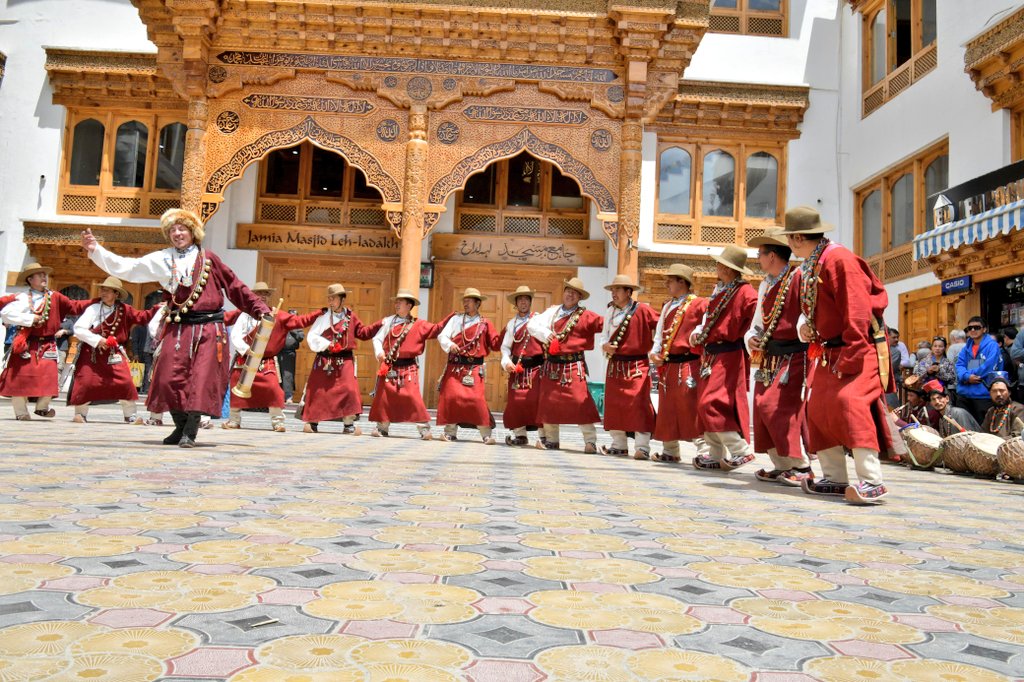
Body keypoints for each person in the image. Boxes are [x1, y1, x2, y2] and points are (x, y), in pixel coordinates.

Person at [81, 209, 271, 447]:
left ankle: (190, 431)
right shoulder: (162, 258)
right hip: (178, 327)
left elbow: (235, 287)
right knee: (166, 379)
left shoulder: (209, 258)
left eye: (182, 229)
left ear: (193, 232)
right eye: (172, 230)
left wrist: (260, 309)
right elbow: (129, 268)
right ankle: (179, 425)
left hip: (209, 328)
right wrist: (96, 250)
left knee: (200, 380)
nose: (177, 233)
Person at [785, 206, 894, 505]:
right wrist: (806, 327)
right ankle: (834, 476)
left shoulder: (839, 260)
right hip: (826, 349)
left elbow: (857, 310)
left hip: (856, 346)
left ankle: (872, 480)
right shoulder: (813, 262)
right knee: (818, 408)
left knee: (851, 404)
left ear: (796, 238)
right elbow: (815, 308)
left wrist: (853, 352)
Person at [744, 231, 814, 486]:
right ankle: (782, 464)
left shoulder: (799, 278)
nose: (757, 258)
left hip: (793, 354)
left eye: (760, 253)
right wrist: (751, 337)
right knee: (762, 410)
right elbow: (757, 323)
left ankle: (802, 465)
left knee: (780, 409)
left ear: (772, 255)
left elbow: (808, 313)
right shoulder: (765, 284)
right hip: (770, 356)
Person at [690, 245, 757, 471]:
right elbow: (708, 320)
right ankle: (715, 453)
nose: (717, 267)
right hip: (711, 354)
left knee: (713, 402)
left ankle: (741, 450)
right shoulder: (720, 289)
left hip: (729, 354)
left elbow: (757, 317)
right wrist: (697, 334)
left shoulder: (745, 292)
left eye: (720, 264)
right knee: (703, 404)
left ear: (729, 268)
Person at [224, 282, 321, 432]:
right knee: (237, 387)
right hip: (245, 358)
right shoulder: (244, 314)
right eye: (259, 294)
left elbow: (299, 321)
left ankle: (278, 422)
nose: (262, 297)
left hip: (265, 361)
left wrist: (318, 313)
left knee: (273, 389)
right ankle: (234, 420)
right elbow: (236, 335)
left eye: (266, 294)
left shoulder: (277, 315)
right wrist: (246, 350)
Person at [0, 263, 91, 420]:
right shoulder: (21, 298)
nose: (44, 277)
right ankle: (21, 412)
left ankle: (42, 407)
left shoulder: (55, 297)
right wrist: (30, 318)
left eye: (45, 275)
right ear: (30, 279)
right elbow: (6, 313)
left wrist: (94, 302)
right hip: (26, 343)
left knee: (49, 376)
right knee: (20, 377)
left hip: (48, 343)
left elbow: (73, 306)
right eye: (40, 275)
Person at [528, 277, 604, 453]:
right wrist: (547, 334)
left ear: (579, 297)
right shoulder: (552, 312)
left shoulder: (585, 315)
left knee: (580, 402)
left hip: (573, 365)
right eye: (568, 291)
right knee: (549, 403)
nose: (570, 294)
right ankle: (552, 440)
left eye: (574, 293)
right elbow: (532, 325)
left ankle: (590, 441)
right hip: (551, 366)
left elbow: (606, 325)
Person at [69, 277, 159, 424]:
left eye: (107, 290)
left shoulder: (125, 309)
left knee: (125, 382)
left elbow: (143, 317)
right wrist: (98, 340)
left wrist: (158, 308)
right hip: (91, 353)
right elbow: (78, 329)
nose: (102, 293)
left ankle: (130, 415)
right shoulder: (93, 308)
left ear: (116, 293)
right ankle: (80, 414)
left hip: (113, 353)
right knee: (85, 381)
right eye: (102, 289)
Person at [369, 289, 455, 439]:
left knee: (413, 397)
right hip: (390, 366)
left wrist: (451, 317)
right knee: (384, 397)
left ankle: (424, 429)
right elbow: (376, 339)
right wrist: (379, 353)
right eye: (396, 301)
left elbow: (436, 329)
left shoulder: (419, 324)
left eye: (400, 302)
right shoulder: (388, 321)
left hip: (409, 367)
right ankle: (382, 427)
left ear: (409, 305)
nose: (396, 304)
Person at [301, 284, 380, 434]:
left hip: (345, 360)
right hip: (325, 360)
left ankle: (348, 424)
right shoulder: (323, 316)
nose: (330, 301)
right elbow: (312, 336)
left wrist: (378, 325)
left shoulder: (351, 316)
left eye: (334, 298)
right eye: (329, 298)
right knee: (319, 391)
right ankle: (313, 422)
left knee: (349, 390)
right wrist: (327, 344)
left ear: (342, 299)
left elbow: (362, 333)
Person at [649, 264, 708, 463]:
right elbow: (659, 334)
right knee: (667, 408)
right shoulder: (667, 306)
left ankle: (704, 450)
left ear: (682, 282)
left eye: (670, 280)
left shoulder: (700, 304)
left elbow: (705, 326)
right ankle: (670, 450)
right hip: (668, 366)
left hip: (688, 364)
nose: (667, 284)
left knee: (689, 406)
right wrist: (655, 352)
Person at [599, 274, 659, 459]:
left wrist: (657, 349)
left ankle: (642, 447)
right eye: (612, 290)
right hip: (615, 365)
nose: (614, 293)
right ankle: (619, 444)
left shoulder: (643, 310)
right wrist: (605, 346)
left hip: (637, 364)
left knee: (639, 405)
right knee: (615, 405)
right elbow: (603, 336)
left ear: (628, 292)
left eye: (617, 290)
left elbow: (663, 325)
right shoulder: (610, 312)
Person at [436, 288, 500, 444]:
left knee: (476, 400)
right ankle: (450, 432)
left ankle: (486, 434)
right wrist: (450, 344)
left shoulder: (485, 324)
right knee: (451, 398)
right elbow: (442, 335)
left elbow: (496, 343)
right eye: (464, 300)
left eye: (469, 300)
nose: (465, 303)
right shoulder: (456, 320)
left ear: (478, 303)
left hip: (474, 368)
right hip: (455, 366)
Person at [499, 285, 544, 446]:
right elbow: (505, 347)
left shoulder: (539, 319)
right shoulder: (512, 324)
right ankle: (520, 435)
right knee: (516, 403)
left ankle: (544, 436)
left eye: (526, 299)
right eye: (520, 299)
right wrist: (507, 362)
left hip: (537, 368)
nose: (523, 302)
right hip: (517, 369)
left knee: (537, 402)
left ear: (530, 302)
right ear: (516, 304)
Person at [955, 316, 1003, 425]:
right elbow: (959, 365)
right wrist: (967, 377)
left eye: (976, 327)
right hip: (964, 395)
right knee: (964, 431)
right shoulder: (965, 348)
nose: (972, 330)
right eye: (969, 328)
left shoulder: (992, 346)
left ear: (984, 329)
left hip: (983, 395)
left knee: (983, 431)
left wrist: (968, 375)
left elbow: (989, 367)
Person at [980, 371, 1024, 439]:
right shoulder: (991, 411)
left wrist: (995, 442)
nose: (998, 394)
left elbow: (1018, 435)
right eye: (994, 391)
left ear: (1009, 392)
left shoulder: (1018, 409)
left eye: (1002, 390)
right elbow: (983, 433)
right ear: (990, 394)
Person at [279, 309, 303, 403]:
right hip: (278, 352)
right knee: (278, 375)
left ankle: (288, 396)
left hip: (289, 354)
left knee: (288, 375)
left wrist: (292, 329)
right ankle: (278, 396)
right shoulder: (281, 325)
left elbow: (300, 337)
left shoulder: (298, 327)